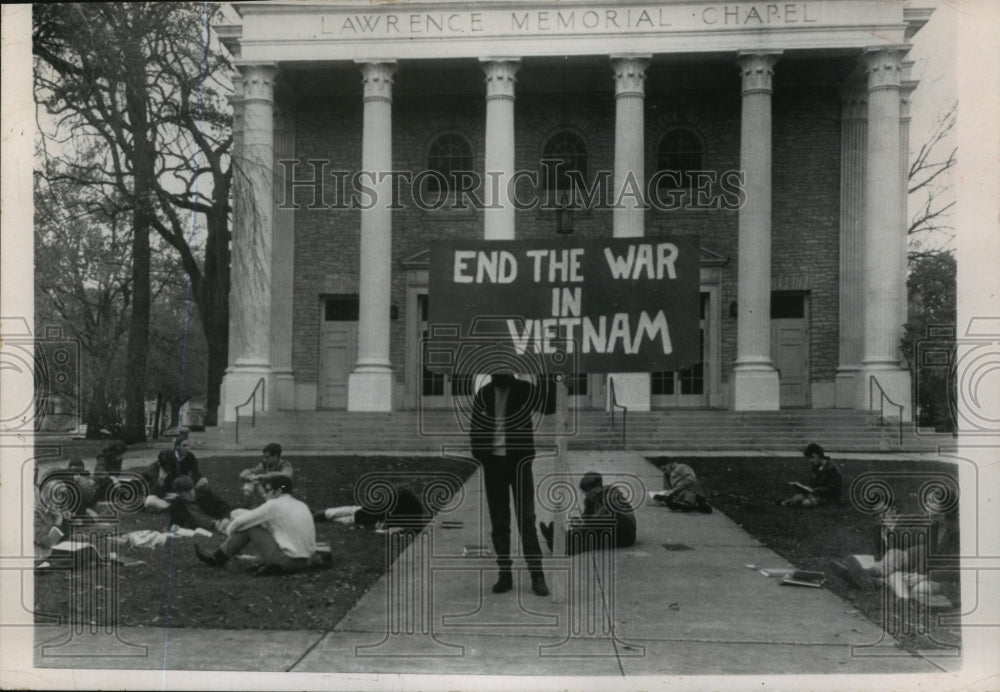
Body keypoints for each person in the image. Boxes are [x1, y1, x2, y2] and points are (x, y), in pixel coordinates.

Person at [470, 368, 555, 597]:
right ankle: (504, 573)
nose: (497, 373)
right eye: (493, 368)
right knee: (499, 522)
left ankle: (537, 575)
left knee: (526, 520)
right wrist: (481, 455)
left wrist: (550, 375)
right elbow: (475, 428)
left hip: (519, 464)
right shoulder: (484, 394)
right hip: (493, 465)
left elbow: (549, 406)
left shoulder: (524, 390)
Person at [832, 500, 960, 608]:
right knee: (894, 554)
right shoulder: (935, 524)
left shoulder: (957, 531)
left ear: (946, 507)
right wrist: (893, 527)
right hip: (920, 556)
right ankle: (868, 573)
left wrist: (925, 576)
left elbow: (958, 567)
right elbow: (915, 530)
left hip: (934, 569)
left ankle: (866, 578)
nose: (926, 503)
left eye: (932, 501)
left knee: (914, 584)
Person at [194, 473, 317, 576]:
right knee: (255, 525)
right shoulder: (301, 505)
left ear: (278, 491)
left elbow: (242, 521)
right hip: (306, 560)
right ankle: (220, 556)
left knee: (250, 526)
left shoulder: (274, 505)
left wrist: (228, 530)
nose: (265, 494)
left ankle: (217, 557)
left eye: (268, 490)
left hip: (287, 561)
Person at [540, 471, 637, 555]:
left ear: (598, 487)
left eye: (588, 490)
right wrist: (578, 523)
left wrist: (587, 523)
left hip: (626, 529)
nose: (586, 494)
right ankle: (560, 544)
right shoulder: (590, 501)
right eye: (584, 491)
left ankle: (561, 538)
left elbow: (605, 510)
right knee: (592, 538)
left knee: (606, 519)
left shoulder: (611, 491)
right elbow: (586, 520)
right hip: (612, 533)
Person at [313, 485, 428, 530]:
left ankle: (322, 515)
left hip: (392, 504)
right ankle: (322, 515)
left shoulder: (412, 511)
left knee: (356, 512)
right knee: (357, 514)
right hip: (390, 506)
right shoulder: (411, 513)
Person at [779, 442, 842, 508]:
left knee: (805, 504)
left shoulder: (832, 468)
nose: (809, 461)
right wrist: (804, 488)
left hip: (828, 497)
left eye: (810, 458)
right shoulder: (815, 466)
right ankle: (790, 501)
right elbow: (812, 483)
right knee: (796, 500)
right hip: (814, 493)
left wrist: (815, 490)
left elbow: (832, 488)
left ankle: (789, 502)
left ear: (816, 455)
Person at [92, 440, 129, 504]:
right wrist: (111, 477)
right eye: (120, 454)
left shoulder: (118, 460)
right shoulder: (103, 458)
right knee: (110, 483)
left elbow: (117, 473)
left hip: (113, 482)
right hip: (102, 484)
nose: (121, 456)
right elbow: (100, 472)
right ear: (114, 453)